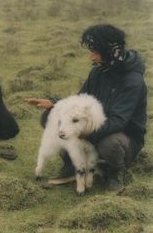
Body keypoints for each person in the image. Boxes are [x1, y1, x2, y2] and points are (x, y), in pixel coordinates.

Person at [25, 24, 147, 192]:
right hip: (94, 128)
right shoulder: (98, 72)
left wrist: (83, 131)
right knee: (50, 117)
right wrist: (54, 104)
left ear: (111, 52)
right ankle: (71, 164)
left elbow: (118, 121)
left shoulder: (133, 81)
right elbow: (78, 103)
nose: (91, 57)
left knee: (109, 144)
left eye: (95, 52)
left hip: (124, 137)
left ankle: (114, 172)